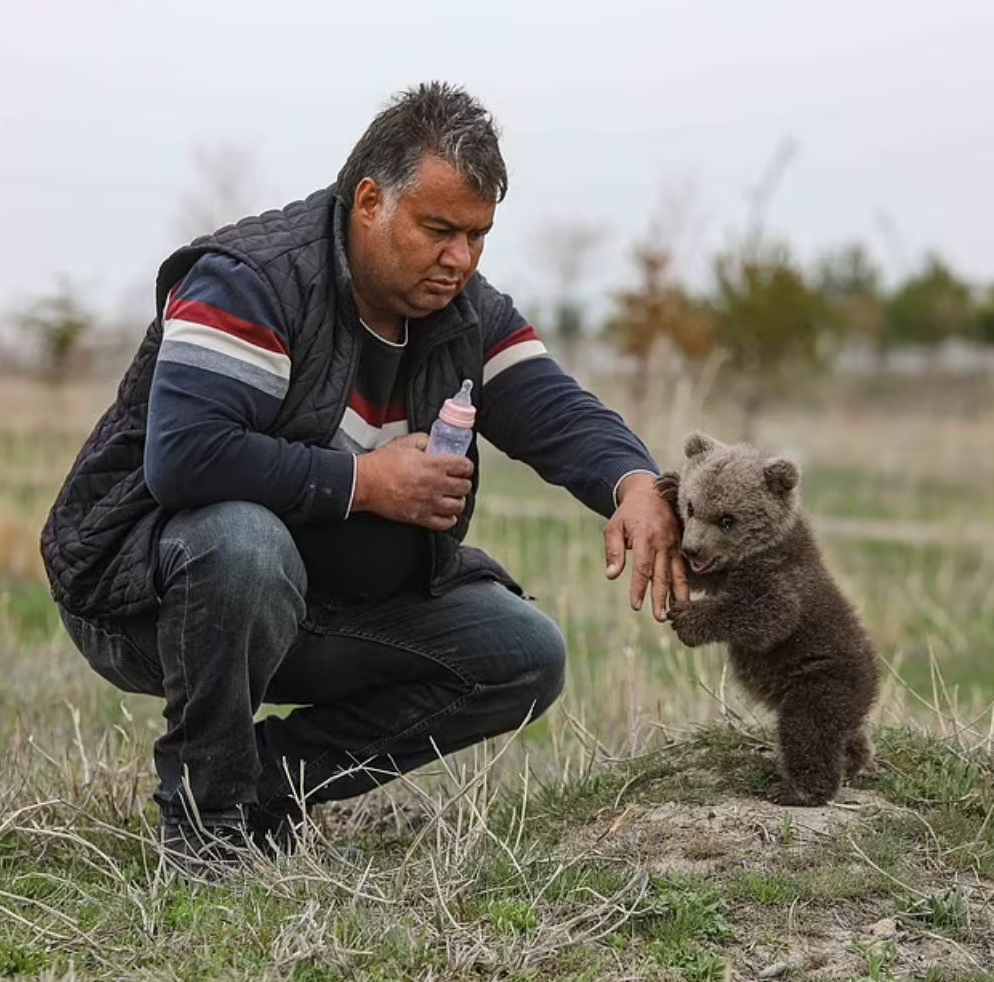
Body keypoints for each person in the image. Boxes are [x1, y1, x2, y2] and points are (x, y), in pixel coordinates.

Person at [41, 82, 688, 864]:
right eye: (439, 229)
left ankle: (268, 786)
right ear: (371, 202)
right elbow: (185, 457)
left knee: (524, 654)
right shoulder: (255, 280)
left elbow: (553, 408)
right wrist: (369, 485)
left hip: (325, 600)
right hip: (145, 598)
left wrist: (635, 482)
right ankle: (206, 824)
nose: (460, 258)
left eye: (477, 236)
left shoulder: (463, 309)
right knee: (243, 542)